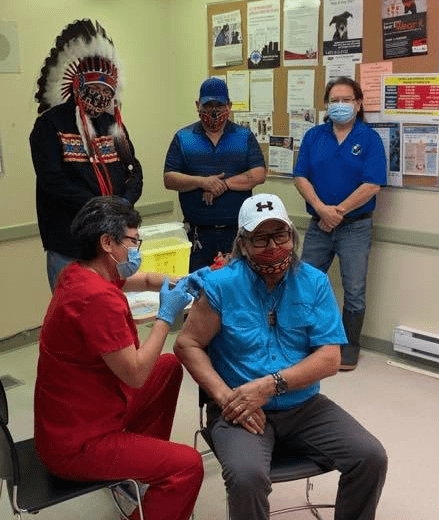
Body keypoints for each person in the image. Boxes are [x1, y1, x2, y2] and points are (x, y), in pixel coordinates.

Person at [174, 193, 387, 520]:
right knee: (247, 477)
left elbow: (330, 358)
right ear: (243, 243)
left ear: (293, 234)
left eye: (280, 234)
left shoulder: (313, 282)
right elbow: (187, 344)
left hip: (303, 406)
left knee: (370, 456)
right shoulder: (220, 285)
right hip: (239, 407)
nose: (273, 246)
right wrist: (226, 397)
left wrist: (271, 385)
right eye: (260, 238)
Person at [34, 196, 203, 520]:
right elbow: (136, 374)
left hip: (72, 419)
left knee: (167, 367)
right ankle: (147, 477)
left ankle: (140, 466)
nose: (136, 249)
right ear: (107, 242)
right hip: (78, 445)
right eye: (133, 241)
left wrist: (181, 282)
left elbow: (142, 280)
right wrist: (166, 316)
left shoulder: (79, 273)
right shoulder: (97, 299)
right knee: (187, 466)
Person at [30, 19, 143, 291]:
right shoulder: (50, 125)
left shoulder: (112, 125)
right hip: (68, 244)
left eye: (108, 92)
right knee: (73, 313)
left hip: (111, 244)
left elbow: (133, 170)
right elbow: (52, 181)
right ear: (78, 84)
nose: (101, 96)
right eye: (96, 89)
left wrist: (124, 202)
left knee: (109, 309)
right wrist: (99, 207)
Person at [293, 77, 387, 370]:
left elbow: (372, 184)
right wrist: (322, 210)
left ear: (359, 104)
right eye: (334, 100)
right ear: (326, 105)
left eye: (347, 100)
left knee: (354, 290)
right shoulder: (314, 137)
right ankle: (303, 341)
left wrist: (338, 212)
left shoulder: (369, 139)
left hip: (356, 226)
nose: (340, 105)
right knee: (302, 282)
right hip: (318, 224)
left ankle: (349, 348)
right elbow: (300, 177)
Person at [164, 77, 266, 271]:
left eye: (219, 105)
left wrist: (223, 185)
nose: (213, 111)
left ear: (229, 106)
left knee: (238, 288)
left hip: (238, 233)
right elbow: (169, 178)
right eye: (207, 105)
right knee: (200, 289)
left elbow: (258, 174)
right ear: (197, 105)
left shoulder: (244, 136)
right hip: (198, 235)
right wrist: (203, 182)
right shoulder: (183, 137)